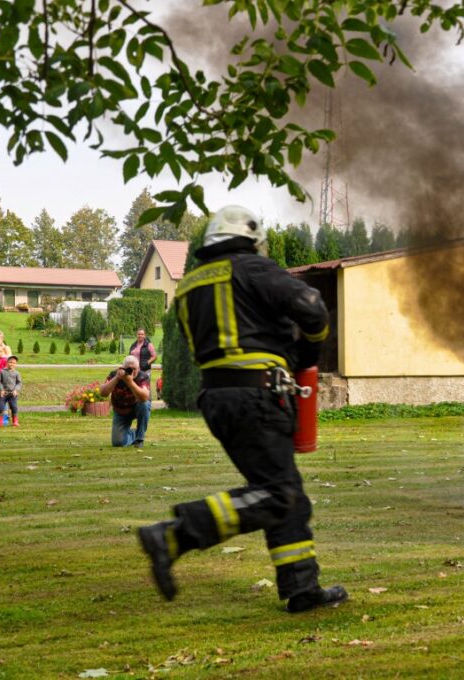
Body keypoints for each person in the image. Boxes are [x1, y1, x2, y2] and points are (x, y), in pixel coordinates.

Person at [137, 205, 347, 614]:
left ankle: (302, 589)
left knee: (287, 493)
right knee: (277, 494)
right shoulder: (250, 267)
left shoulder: (190, 285)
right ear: (250, 238)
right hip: (259, 397)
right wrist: (307, 352)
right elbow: (310, 304)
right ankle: (176, 534)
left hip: (217, 400)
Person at [99, 355, 151, 447]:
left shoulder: (143, 376)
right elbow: (103, 393)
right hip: (121, 411)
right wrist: (116, 378)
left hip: (137, 408)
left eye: (135, 369)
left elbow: (144, 397)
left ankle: (139, 439)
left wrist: (130, 382)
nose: (132, 372)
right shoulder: (114, 374)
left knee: (144, 404)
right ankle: (133, 434)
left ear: (139, 368)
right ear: (122, 368)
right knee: (118, 443)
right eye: (129, 369)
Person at [0, 355, 23, 428]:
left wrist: (16, 390)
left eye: (14, 363)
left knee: (14, 407)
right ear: (7, 362)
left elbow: (19, 383)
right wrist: (1, 389)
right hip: (3, 393)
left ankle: (15, 421)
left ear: (16, 364)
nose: (12, 364)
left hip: (12, 394)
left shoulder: (17, 373)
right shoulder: (2, 371)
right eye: (10, 362)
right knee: (0, 406)